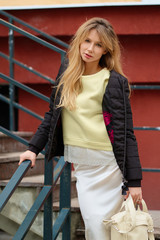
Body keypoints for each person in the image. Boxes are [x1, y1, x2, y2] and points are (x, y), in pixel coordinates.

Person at [19, 17, 142, 240]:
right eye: (87, 40)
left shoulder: (113, 81)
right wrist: (32, 148)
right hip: (83, 167)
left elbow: (126, 133)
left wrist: (134, 182)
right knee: (94, 226)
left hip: (108, 167)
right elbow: (52, 115)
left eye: (98, 45)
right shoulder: (67, 73)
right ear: (78, 41)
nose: (90, 48)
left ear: (106, 50)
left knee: (103, 228)